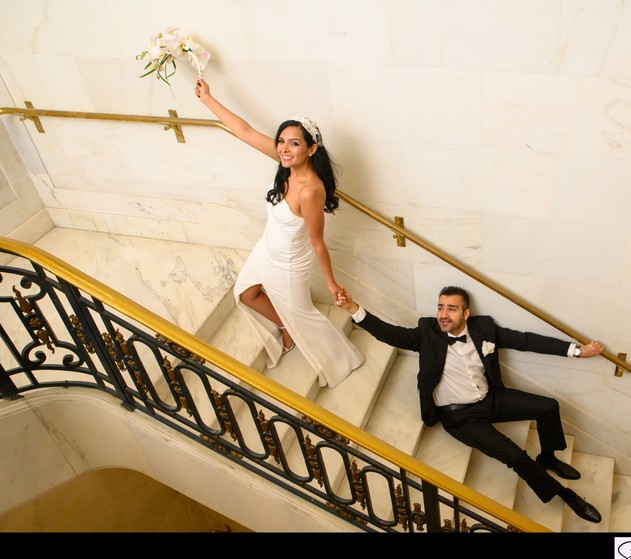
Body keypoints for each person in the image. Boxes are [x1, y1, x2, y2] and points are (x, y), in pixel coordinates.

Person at [336, 285, 605, 523]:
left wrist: (577, 351)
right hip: (461, 418)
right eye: (440, 307)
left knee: (548, 407)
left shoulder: (483, 328)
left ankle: (548, 458)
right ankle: (566, 495)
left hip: (491, 399)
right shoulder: (427, 332)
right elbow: (389, 334)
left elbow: (525, 340)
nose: (443, 314)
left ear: (466, 314)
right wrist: (352, 308)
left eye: (451, 309)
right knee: (516, 457)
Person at [195, 78, 363, 388]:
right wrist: (208, 99)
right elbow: (244, 131)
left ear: (311, 149)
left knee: (305, 317)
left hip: (288, 266)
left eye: (294, 143)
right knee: (245, 294)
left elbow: (318, 243)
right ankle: (285, 327)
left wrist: (331, 283)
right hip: (265, 249)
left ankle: (342, 360)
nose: (284, 148)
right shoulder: (285, 163)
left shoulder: (311, 191)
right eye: (282, 141)